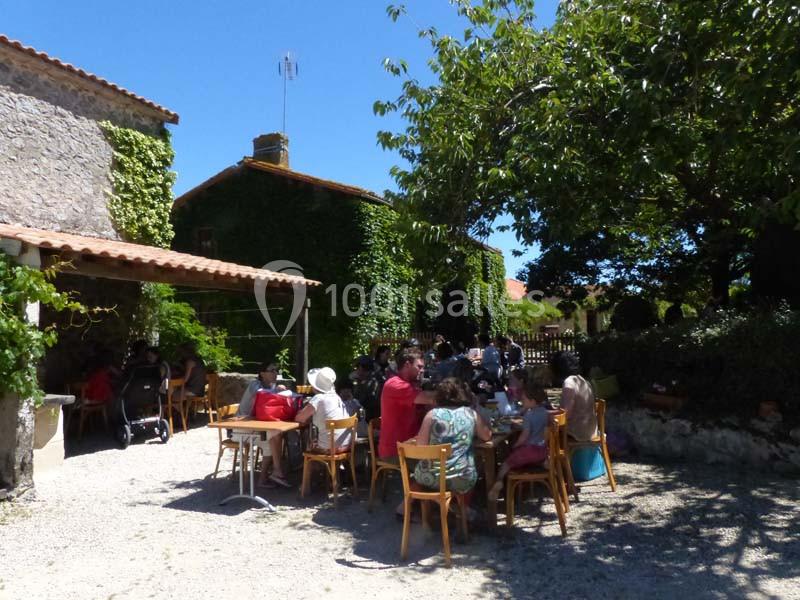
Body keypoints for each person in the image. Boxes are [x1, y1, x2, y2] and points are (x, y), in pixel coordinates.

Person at [413, 378, 492, 500]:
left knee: (420, 473)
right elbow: (486, 436)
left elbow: (420, 447)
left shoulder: (432, 415)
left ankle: (435, 506)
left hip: (432, 476)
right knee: (476, 465)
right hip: (462, 476)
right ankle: (463, 509)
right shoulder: (471, 414)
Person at [488, 372, 550, 501]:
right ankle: (527, 483)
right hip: (542, 450)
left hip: (529, 450)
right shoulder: (545, 413)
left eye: (524, 400)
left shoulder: (529, 416)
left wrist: (516, 445)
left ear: (532, 401)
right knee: (518, 456)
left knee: (506, 463)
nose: (521, 401)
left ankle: (498, 481)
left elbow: (524, 435)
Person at [234, 362, 290, 488]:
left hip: (257, 426)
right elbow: (262, 396)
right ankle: (272, 473)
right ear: (262, 374)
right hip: (241, 427)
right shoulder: (255, 384)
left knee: (275, 435)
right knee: (273, 436)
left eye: (276, 370)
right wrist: (276, 390)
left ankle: (273, 473)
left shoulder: (271, 385)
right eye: (272, 370)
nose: (276, 373)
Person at [378, 347, 425, 460]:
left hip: (410, 448)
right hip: (395, 452)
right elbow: (429, 398)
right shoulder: (395, 384)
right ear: (407, 365)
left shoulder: (411, 385)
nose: (422, 370)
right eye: (419, 366)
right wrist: (455, 395)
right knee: (437, 466)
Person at [295, 367, 351, 452]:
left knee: (310, 446)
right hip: (346, 444)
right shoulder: (336, 397)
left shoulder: (318, 398)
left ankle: (308, 464)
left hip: (330, 447)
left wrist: (301, 411)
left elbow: (299, 418)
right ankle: (334, 465)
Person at [551, 351, 598, 441]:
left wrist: (545, 414)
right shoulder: (582, 380)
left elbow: (566, 414)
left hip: (577, 433)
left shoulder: (569, 382)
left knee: (543, 431)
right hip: (590, 430)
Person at [350, 355, 380, 421]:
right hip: (357, 417)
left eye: (364, 368)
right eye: (358, 367)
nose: (360, 371)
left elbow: (365, 401)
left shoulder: (373, 382)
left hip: (370, 419)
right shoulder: (354, 381)